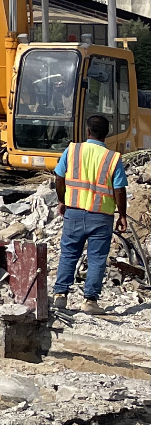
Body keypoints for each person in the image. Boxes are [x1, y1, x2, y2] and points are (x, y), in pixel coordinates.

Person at [51, 113, 128, 314]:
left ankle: (60, 296)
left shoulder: (73, 150)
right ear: (107, 134)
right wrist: (122, 215)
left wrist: (62, 199)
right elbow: (119, 189)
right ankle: (90, 301)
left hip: (74, 212)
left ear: (87, 131)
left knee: (68, 254)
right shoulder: (113, 158)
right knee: (96, 259)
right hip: (101, 216)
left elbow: (59, 177)